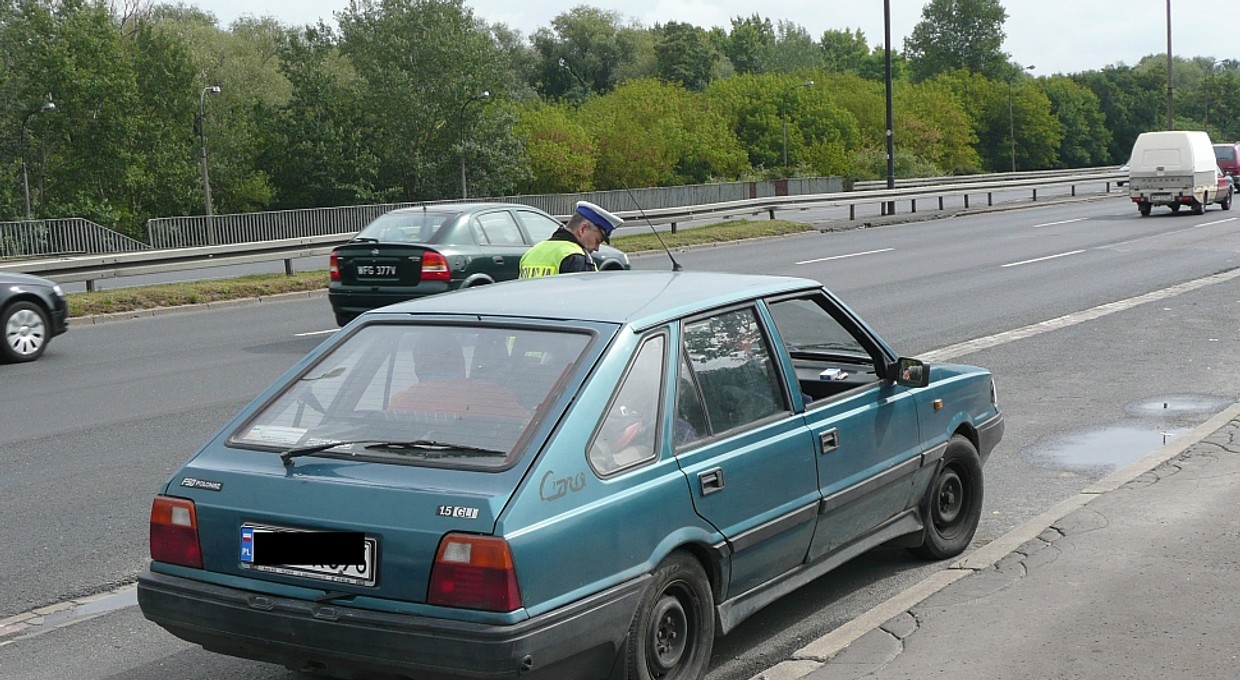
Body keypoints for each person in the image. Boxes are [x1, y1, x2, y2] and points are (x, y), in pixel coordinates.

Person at [518, 200, 623, 278]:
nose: (597, 248)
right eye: (597, 241)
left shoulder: (531, 253)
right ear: (583, 229)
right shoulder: (576, 257)